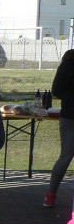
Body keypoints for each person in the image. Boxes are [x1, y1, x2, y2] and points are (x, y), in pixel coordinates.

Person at [44, 49, 74, 206]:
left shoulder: (67, 63)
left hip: (68, 114)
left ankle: (51, 194)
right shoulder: (69, 63)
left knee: (65, 156)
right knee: (66, 156)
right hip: (70, 114)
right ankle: (50, 194)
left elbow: (56, 90)